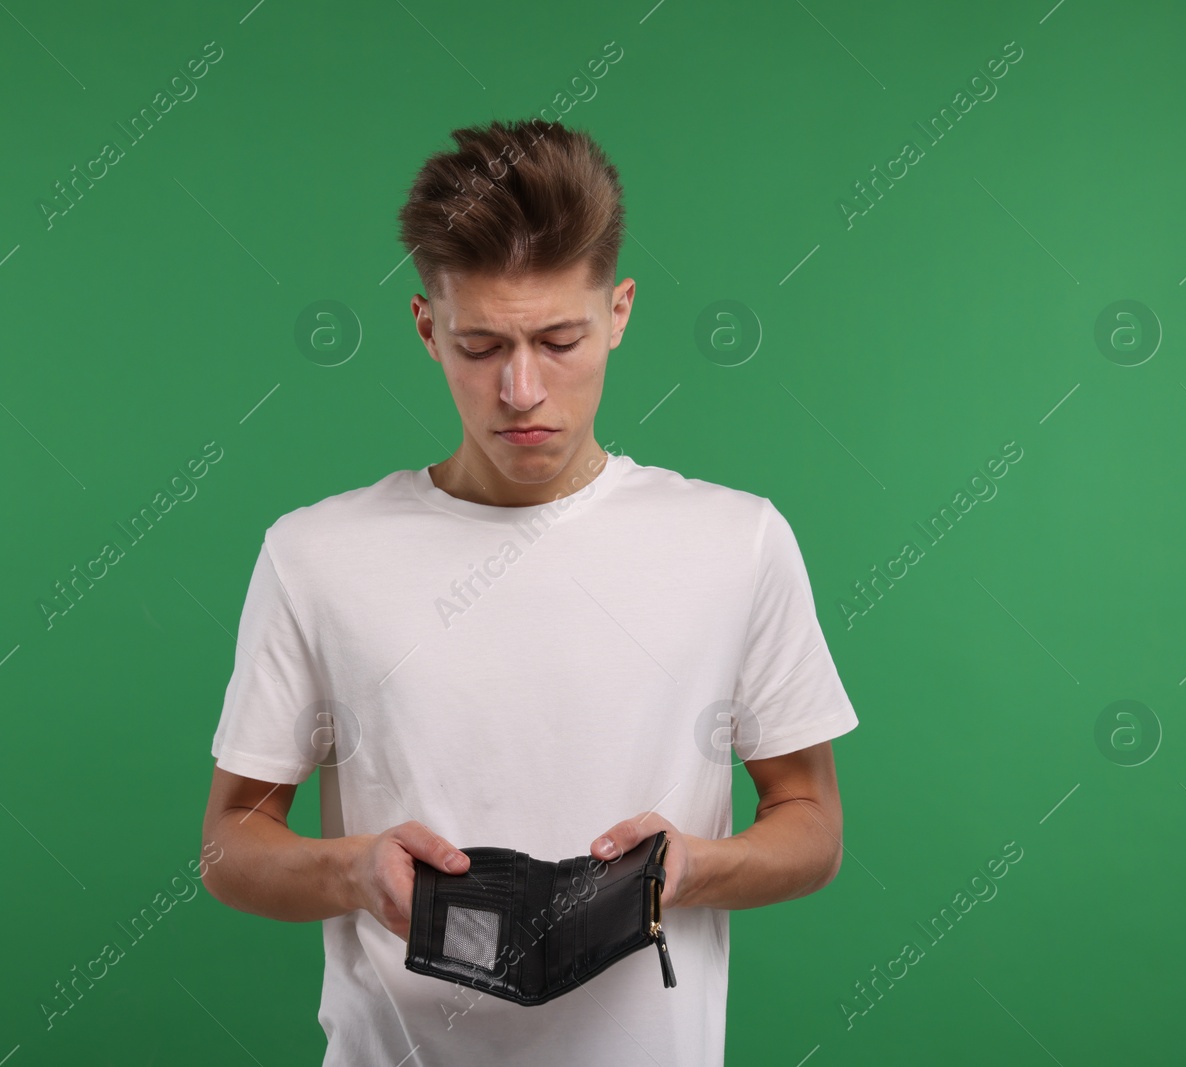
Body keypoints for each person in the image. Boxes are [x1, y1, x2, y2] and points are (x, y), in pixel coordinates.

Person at [201, 116, 859, 1066]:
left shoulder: (737, 540)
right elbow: (231, 842)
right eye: (480, 346)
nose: (521, 390)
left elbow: (813, 824)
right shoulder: (315, 554)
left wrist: (692, 866)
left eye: (559, 339)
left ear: (621, 312)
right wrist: (353, 870)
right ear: (426, 328)